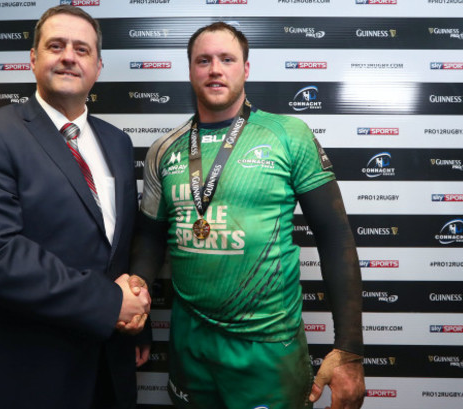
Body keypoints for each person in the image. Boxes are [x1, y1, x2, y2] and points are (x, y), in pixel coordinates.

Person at [131, 22, 365, 409]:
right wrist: (136, 298)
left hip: (269, 348)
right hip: (190, 344)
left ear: (246, 69)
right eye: (203, 60)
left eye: (227, 59)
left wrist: (350, 351)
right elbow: (151, 237)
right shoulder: (164, 149)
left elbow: (335, 237)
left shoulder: (288, 134)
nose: (215, 69)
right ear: (190, 70)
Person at [0, 5, 151, 409]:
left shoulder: (117, 142)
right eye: (55, 46)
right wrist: (110, 303)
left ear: (98, 66)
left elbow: (118, 245)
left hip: (107, 369)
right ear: (34, 59)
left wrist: (135, 314)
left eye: (82, 49)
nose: (69, 56)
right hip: (24, 373)